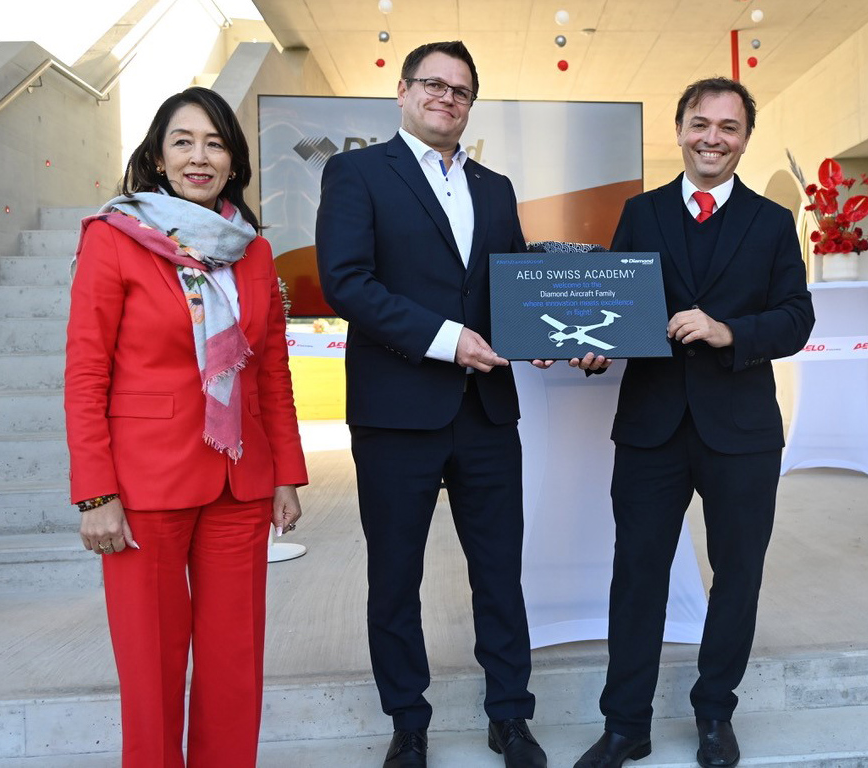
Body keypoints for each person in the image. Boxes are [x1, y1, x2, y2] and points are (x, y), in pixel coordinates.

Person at [316, 40, 547, 768]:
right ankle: (408, 722)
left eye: (461, 90)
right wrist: (447, 340)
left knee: (499, 574)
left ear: (471, 104)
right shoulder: (356, 173)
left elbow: (508, 285)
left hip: (487, 413)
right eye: (433, 84)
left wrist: (543, 333)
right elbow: (346, 281)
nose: (447, 97)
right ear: (404, 91)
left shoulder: (496, 187)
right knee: (395, 577)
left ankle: (510, 716)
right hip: (395, 412)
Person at [572, 78, 815, 768]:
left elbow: (796, 318)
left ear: (745, 139)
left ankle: (715, 713)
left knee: (737, 574)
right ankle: (626, 725)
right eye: (700, 123)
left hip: (741, 431)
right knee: (637, 575)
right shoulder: (640, 212)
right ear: (679, 130)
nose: (713, 138)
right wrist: (596, 345)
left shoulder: (771, 222)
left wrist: (727, 330)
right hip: (651, 426)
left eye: (729, 127)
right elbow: (616, 305)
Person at [64, 86, 308, 767]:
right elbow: (86, 374)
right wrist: (95, 492)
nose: (199, 157)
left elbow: (271, 373)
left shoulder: (254, 253)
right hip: (144, 486)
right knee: (151, 669)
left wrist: (287, 474)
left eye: (215, 143)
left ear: (233, 161)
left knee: (235, 667)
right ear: (157, 157)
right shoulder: (113, 240)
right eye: (183, 142)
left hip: (240, 483)